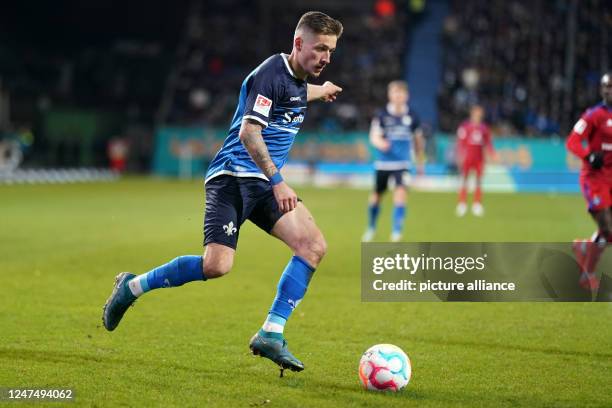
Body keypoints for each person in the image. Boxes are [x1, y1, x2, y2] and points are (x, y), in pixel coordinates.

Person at [102, 11, 344, 375]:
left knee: (313, 247)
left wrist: (321, 90)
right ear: (298, 43)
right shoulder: (270, 74)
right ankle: (131, 287)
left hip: (262, 183)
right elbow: (249, 133)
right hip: (232, 176)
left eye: (331, 51)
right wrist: (279, 180)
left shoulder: (297, 79)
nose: (326, 57)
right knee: (217, 266)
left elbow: (295, 93)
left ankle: (271, 334)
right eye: (320, 48)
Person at [362, 80, 424, 243]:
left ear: (406, 96)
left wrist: (420, 161)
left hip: (402, 164)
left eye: (401, 93)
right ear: (390, 95)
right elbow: (373, 136)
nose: (398, 96)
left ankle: (396, 232)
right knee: (376, 195)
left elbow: (418, 140)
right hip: (383, 163)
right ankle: (371, 227)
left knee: (401, 194)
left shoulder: (412, 116)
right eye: (395, 93)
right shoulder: (382, 115)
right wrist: (380, 143)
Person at [567, 72, 612, 290]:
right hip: (594, 179)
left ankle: (584, 248)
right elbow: (572, 141)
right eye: (605, 87)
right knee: (608, 228)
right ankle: (587, 274)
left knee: (608, 232)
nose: (607, 91)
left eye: (611, 87)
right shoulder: (593, 115)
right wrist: (588, 155)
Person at [455, 104, 494, 217]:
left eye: (480, 113)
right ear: (472, 113)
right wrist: (460, 156)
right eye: (476, 113)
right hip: (467, 158)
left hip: (479, 159)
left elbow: (488, 143)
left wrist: (492, 154)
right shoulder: (465, 127)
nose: (478, 115)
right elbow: (460, 143)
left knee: (478, 181)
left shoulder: (484, 128)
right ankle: (462, 204)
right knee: (464, 180)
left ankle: (477, 205)